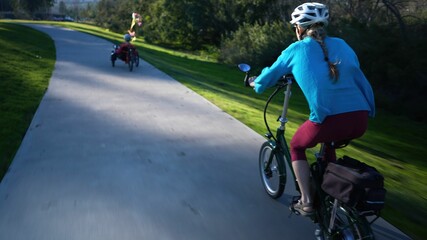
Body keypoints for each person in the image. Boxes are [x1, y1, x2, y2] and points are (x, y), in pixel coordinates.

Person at [249, 2, 375, 216]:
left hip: (330, 120)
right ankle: (329, 193)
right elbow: (357, 76)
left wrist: (254, 82)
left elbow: (269, 76)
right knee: (328, 143)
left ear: (299, 28)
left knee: (297, 145)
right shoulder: (343, 45)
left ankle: (307, 202)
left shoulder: (296, 49)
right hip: (360, 118)